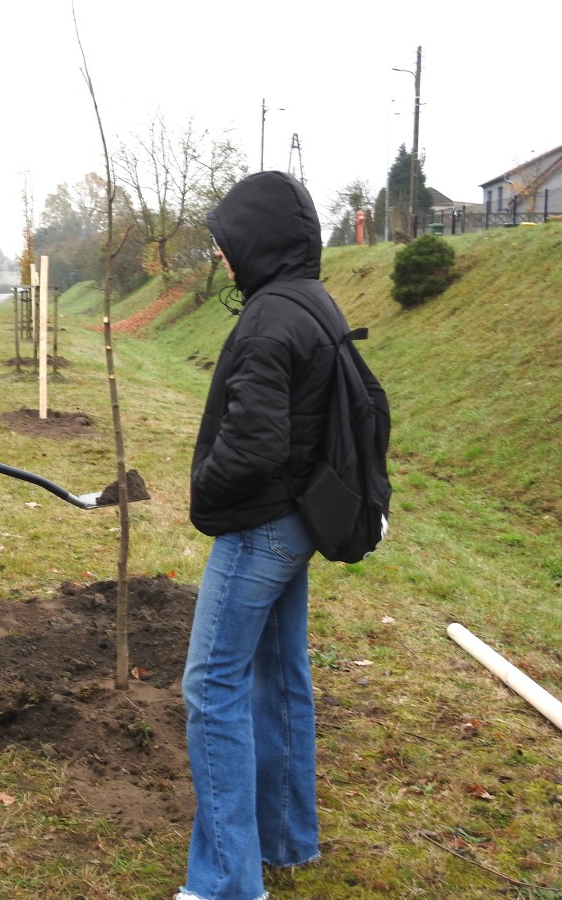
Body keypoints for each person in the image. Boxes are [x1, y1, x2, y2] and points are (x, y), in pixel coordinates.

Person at [179, 171, 338, 900]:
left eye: (225, 241)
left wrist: (204, 490)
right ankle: (284, 838)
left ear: (257, 239)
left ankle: (225, 883)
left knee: (212, 688)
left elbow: (255, 442)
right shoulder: (310, 302)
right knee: (279, 676)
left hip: (259, 528)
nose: (221, 254)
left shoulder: (270, 317)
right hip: (297, 521)